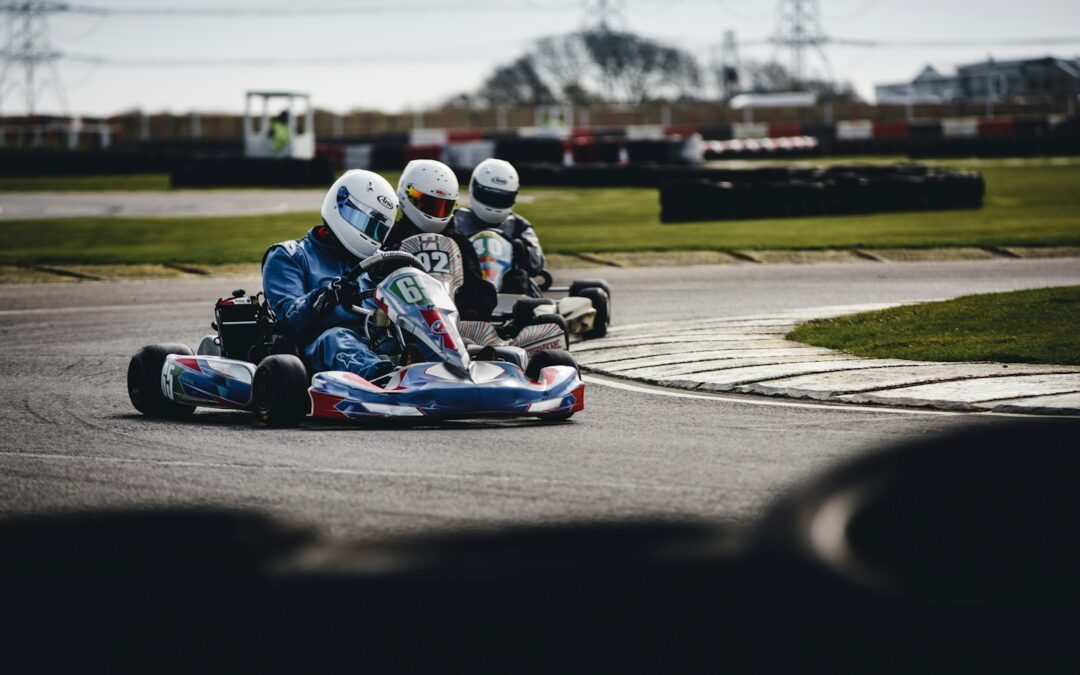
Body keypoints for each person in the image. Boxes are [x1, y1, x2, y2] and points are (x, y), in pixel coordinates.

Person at [262, 169, 399, 380]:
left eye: (377, 230)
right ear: (341, 207)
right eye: (364, 223)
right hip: (317, 348)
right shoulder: (290, 255)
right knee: (337, 338)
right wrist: (325, 297)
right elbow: (289, 319)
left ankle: (448, 368)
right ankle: (383, 381)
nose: (370, 236)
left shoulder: (381, 262)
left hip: (376, 341)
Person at [382, 159, 496, 320]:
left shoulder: (459, 242)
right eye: (429, 204)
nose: (435, 213)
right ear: (408, 194)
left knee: (485, 291)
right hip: (400, 315)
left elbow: (474, 283)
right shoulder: (391, 238)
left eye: (443, 206)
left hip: (453, 317)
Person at [452, 158, 545, 293]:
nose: (493, 203)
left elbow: (537, 264)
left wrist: (522, 250)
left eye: (501, 199)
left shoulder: (519, 225)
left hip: (508, 290)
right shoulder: (455, 220)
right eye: (488, 196)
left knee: (520, 279)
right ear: (474, 188)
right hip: (463, 288)